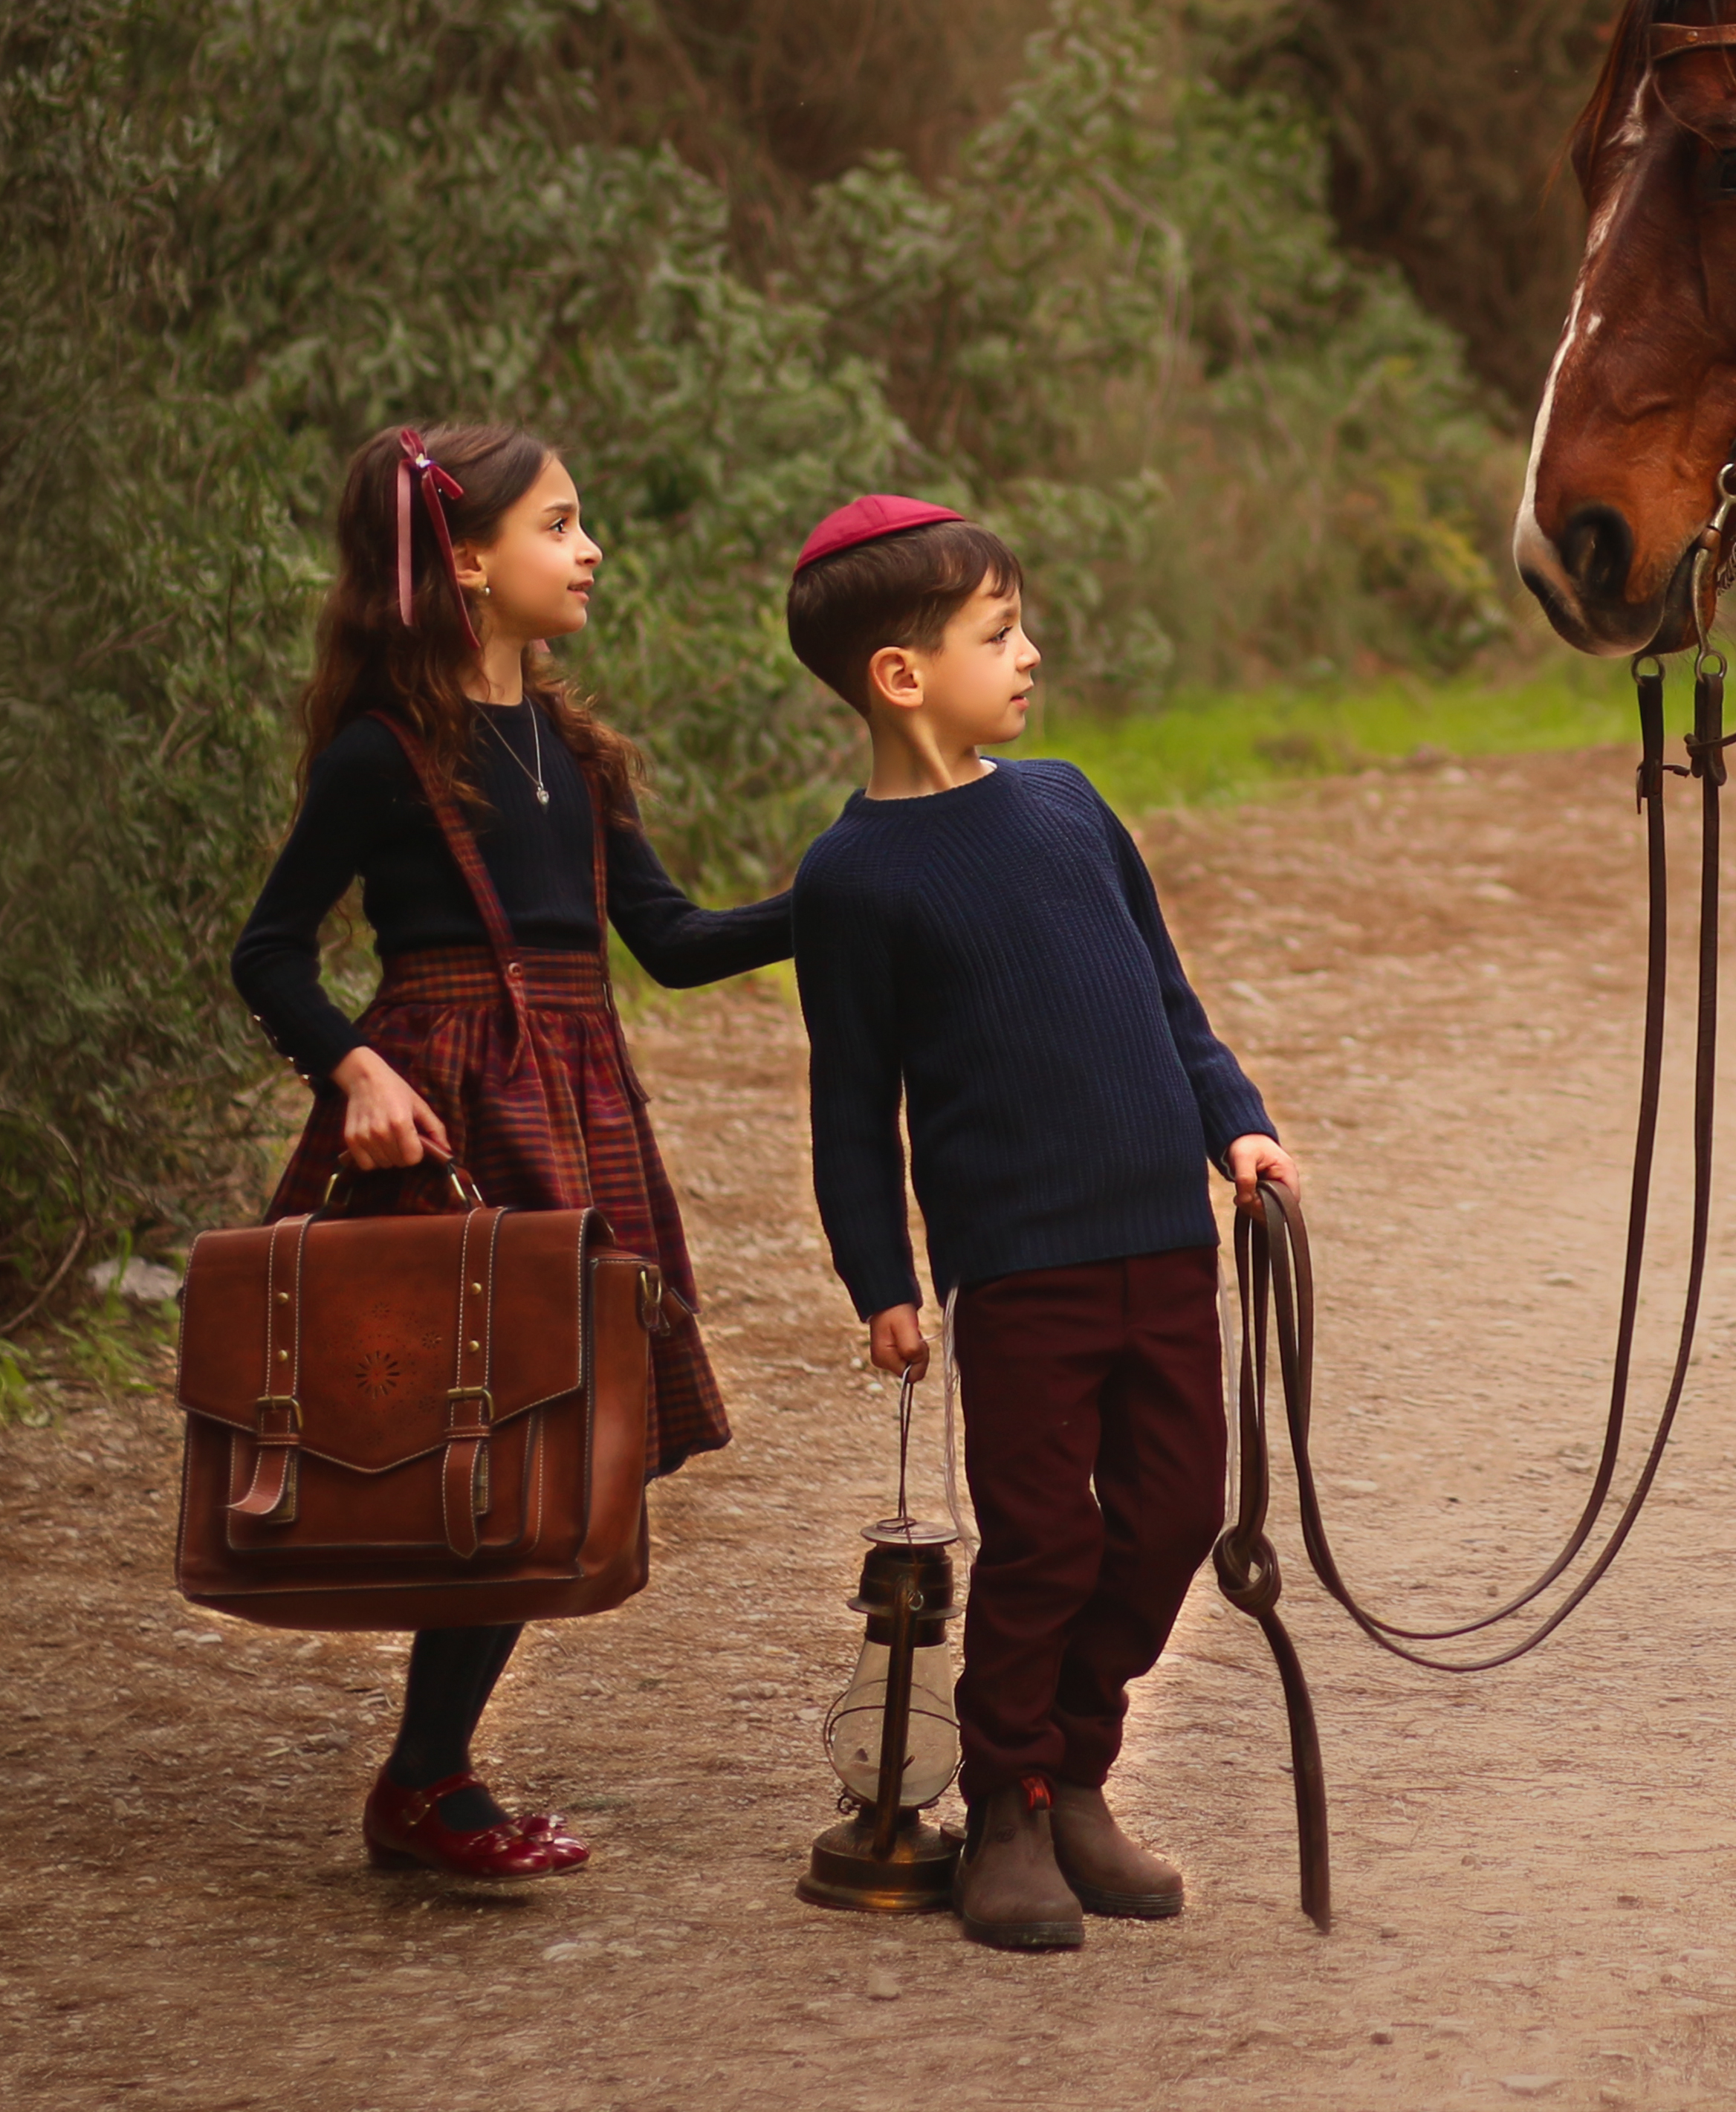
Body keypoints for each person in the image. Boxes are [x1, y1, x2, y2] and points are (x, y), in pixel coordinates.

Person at [230, 423, 793, 1881]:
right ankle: (429, 1782)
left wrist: (845, 891)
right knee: (480, 1429)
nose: (591, 547)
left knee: (563, 1436)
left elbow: (664, 943)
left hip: (579, 1103)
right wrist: (354, 1068)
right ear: (466, 563)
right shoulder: (383, 757)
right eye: (561, 524)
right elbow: (271, 951)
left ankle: (427, 1775)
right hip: (447, 1114)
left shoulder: (577, 751)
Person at [784, 496, 1301, 1953]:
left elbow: (1169, 1000)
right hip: (1021, 1274)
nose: (1031, 654)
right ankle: (1007, 1809)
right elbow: (851, 1112)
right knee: (1040, 1546)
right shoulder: (853, 881)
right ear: (900, 674)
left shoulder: (1069, 802)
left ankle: (1077, 1770)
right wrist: (880, 1277)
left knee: (1172, 1519)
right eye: (997, 633)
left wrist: (1237, 1121)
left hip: (1165, 1244)